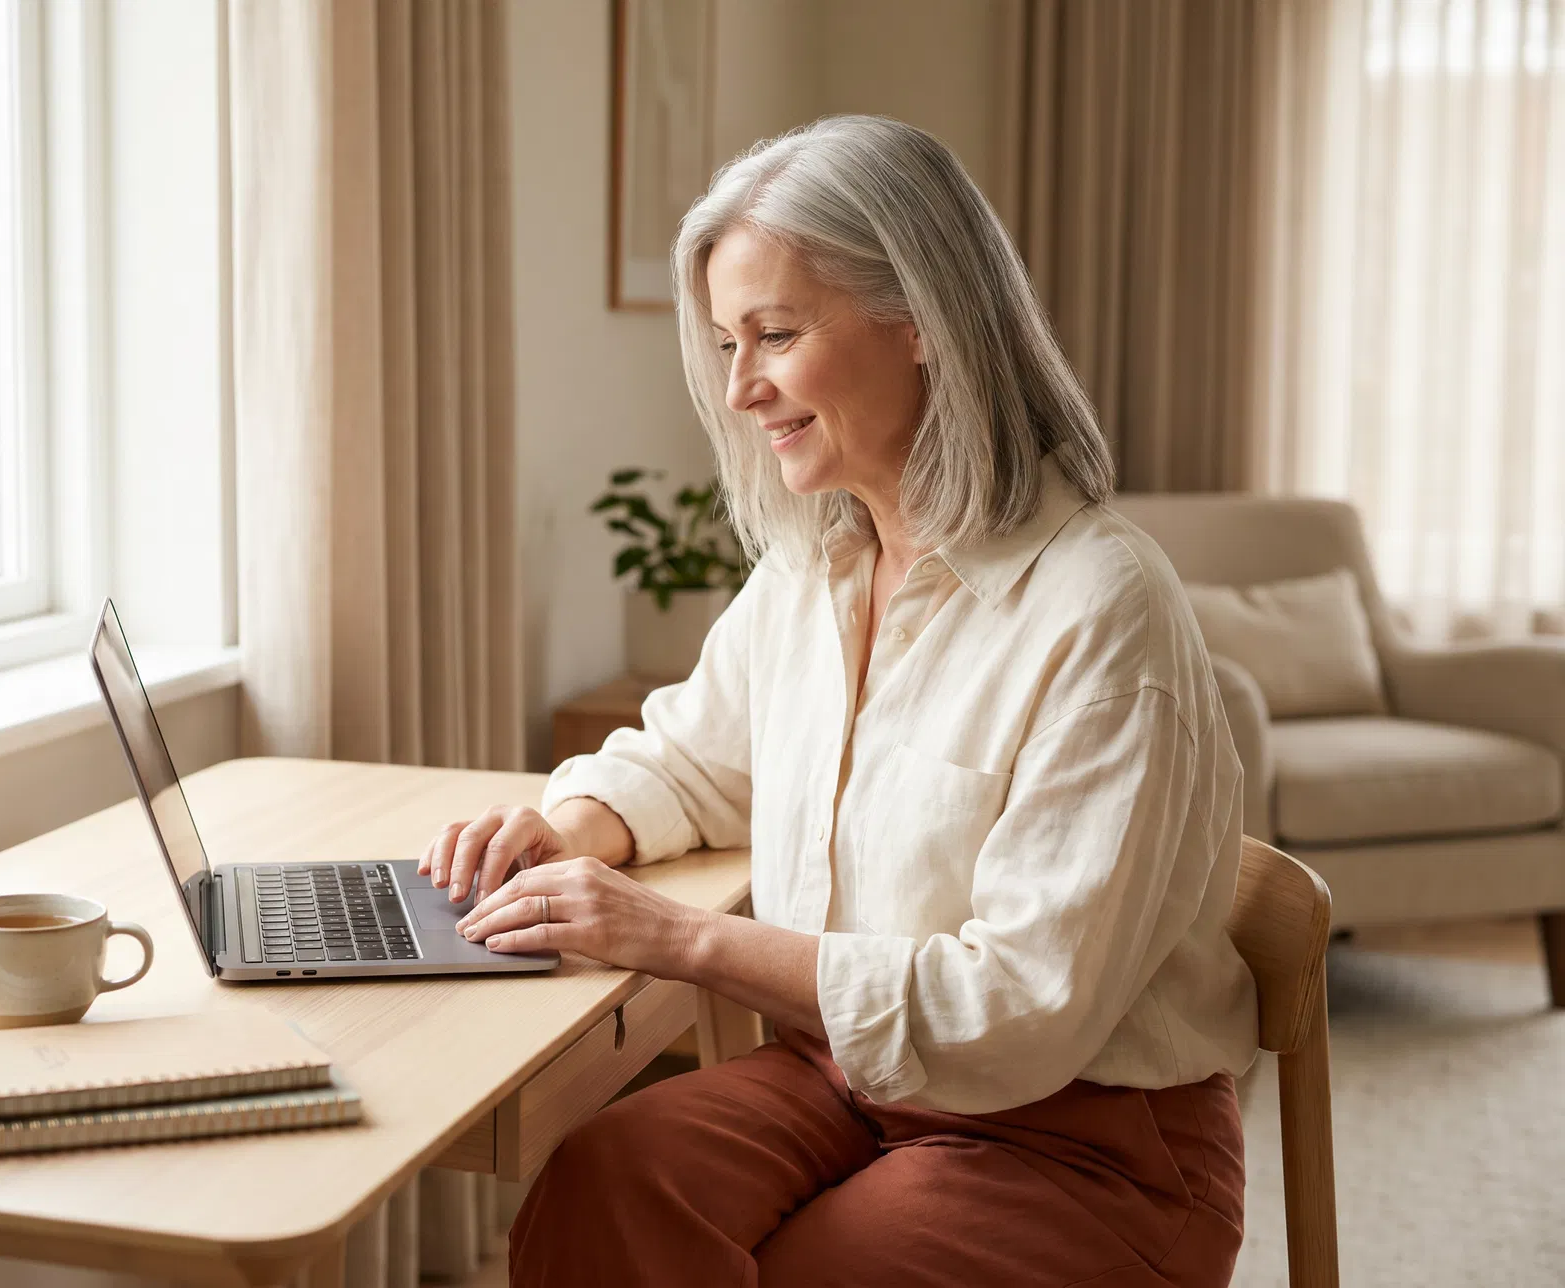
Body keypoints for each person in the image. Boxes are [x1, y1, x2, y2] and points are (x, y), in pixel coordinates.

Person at [417, 115, 1259, 1288]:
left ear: (923, 322)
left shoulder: (1101, 608)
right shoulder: (817, 563)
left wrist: (688, 939)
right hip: (846, 1083)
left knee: (815, 1268)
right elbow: (697, 759)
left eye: (775, 333)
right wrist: (568, 826)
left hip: (1086, 1142)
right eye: (725, 342)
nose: (742, 386)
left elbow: (1020, 1007)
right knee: (599, 1186)